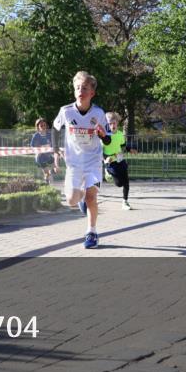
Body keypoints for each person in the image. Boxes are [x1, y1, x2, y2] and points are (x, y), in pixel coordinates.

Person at [53, 71, 111, 249]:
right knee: (71, 200)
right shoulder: (66, 111)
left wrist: (102, 135)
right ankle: (80, 199)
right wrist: (56, 151)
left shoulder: (99, 113)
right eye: (77, 88)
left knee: (92, 198)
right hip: (74, 163)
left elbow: (108, 139)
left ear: (92, 93)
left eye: (84, 88)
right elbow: (55, 130)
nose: (80, 91)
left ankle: (91, 232)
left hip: (93, 162)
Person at [103, 111, 132, 210]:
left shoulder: (120, 134)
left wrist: (130, 149)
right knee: (119, 184)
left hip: (120, 159)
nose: (112, 125)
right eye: (110, 123)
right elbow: (100, 150)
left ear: (117, 123)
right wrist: (106, 158)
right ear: (107, 125)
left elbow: (123, 146)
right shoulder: (105, 136)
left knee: (126, 181)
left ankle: (125, 201)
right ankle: (107, 171)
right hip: (111, 162)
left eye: (114, 123)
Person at [30, 117, 58, 182]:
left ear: (47, 125)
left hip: (48, 156)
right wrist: (39, 148)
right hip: (40, 157)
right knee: (46, 174)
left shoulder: (49, 135)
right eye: (41, 125)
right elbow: (32, 146)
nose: (43, 126)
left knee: (56, 169)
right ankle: (46, 182)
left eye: (44, 125)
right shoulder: (36, 135)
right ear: (38, 127)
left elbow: (53, 145)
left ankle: (50, 174)